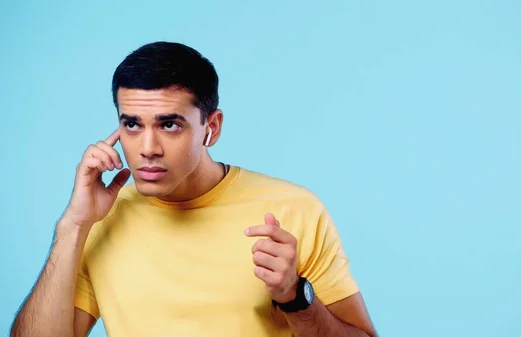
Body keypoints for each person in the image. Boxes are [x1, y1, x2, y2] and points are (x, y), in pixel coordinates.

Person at [10, 41, 377, 337]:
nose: (147, 148)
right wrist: (73, 225)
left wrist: (296, 298)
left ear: (211, 128)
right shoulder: (101, 217)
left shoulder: (294, 210)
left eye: (170, 125)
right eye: (132, 125)